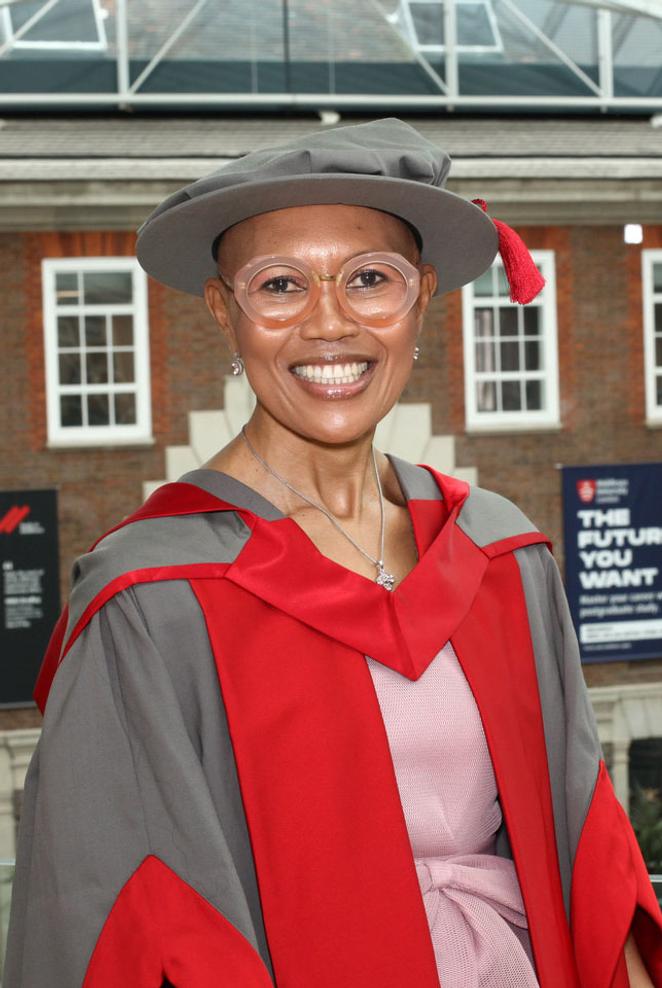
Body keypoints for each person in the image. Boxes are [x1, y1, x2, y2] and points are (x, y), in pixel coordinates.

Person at [4, 118, 661, 987]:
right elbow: (118, 914)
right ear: (223, 313)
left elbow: (589, 846)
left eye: (370, 280)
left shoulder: (501, 556)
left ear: (421, 295)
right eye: (279, 285)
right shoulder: (152, 602)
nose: (329, 322)